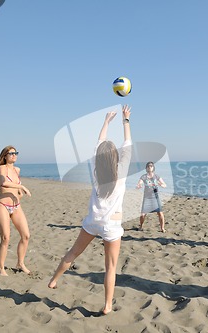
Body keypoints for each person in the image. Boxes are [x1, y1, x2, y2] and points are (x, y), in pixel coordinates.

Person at [48, 105, 132, 316]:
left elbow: (97, 146)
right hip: (111, 225)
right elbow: (128, 145)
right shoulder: (120, 171)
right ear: (115, 157)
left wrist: (105, 122)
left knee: (73, 252)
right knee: (110, 267)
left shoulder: (96, 170)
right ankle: (107, 305)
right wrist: (126, 120)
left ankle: (54, 280)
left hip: (93, 221)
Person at [0, 146, 32, 276]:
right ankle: (1, 268)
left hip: (16, 206)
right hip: (3, 205)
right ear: (5, 156)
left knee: (26, 236)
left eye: (16, 153)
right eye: (11, 153)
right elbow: (3, 183)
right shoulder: (2, 168)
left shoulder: (17, 169)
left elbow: (15, 186)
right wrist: (21, 186)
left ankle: (20, 263)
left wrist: (19, 193)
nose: (14, 155)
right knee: (5, 238)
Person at [136, 161, 167, 232]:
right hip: (147, 197)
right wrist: (139, 186)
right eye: (148, 166)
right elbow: (139, 184)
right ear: (146, 168)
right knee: (143, 214)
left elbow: (165, 185)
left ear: (153, 168)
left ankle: (162, 228)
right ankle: (140, 226)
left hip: (155, 197)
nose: (150, 167)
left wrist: (161, 184)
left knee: (160, 213)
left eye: (151, 166)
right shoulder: (143, 177)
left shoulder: (157, 176)